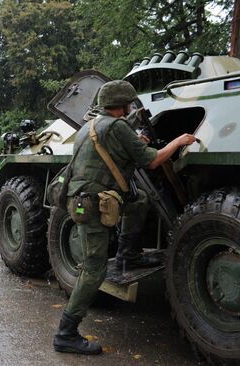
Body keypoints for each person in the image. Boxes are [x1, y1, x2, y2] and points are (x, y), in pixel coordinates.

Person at [53, 80, 196, 355]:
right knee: (94, 270)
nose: (131, 107)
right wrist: (180, 141)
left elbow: (111, 151)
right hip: (92, 205)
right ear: (123, 105)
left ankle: (128, 255)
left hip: (84, 199)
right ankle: (65, 333)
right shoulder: (118, 126)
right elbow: (153, 161)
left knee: (139, 200)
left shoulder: (90, 127)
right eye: (129, 103)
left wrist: (136, 142)